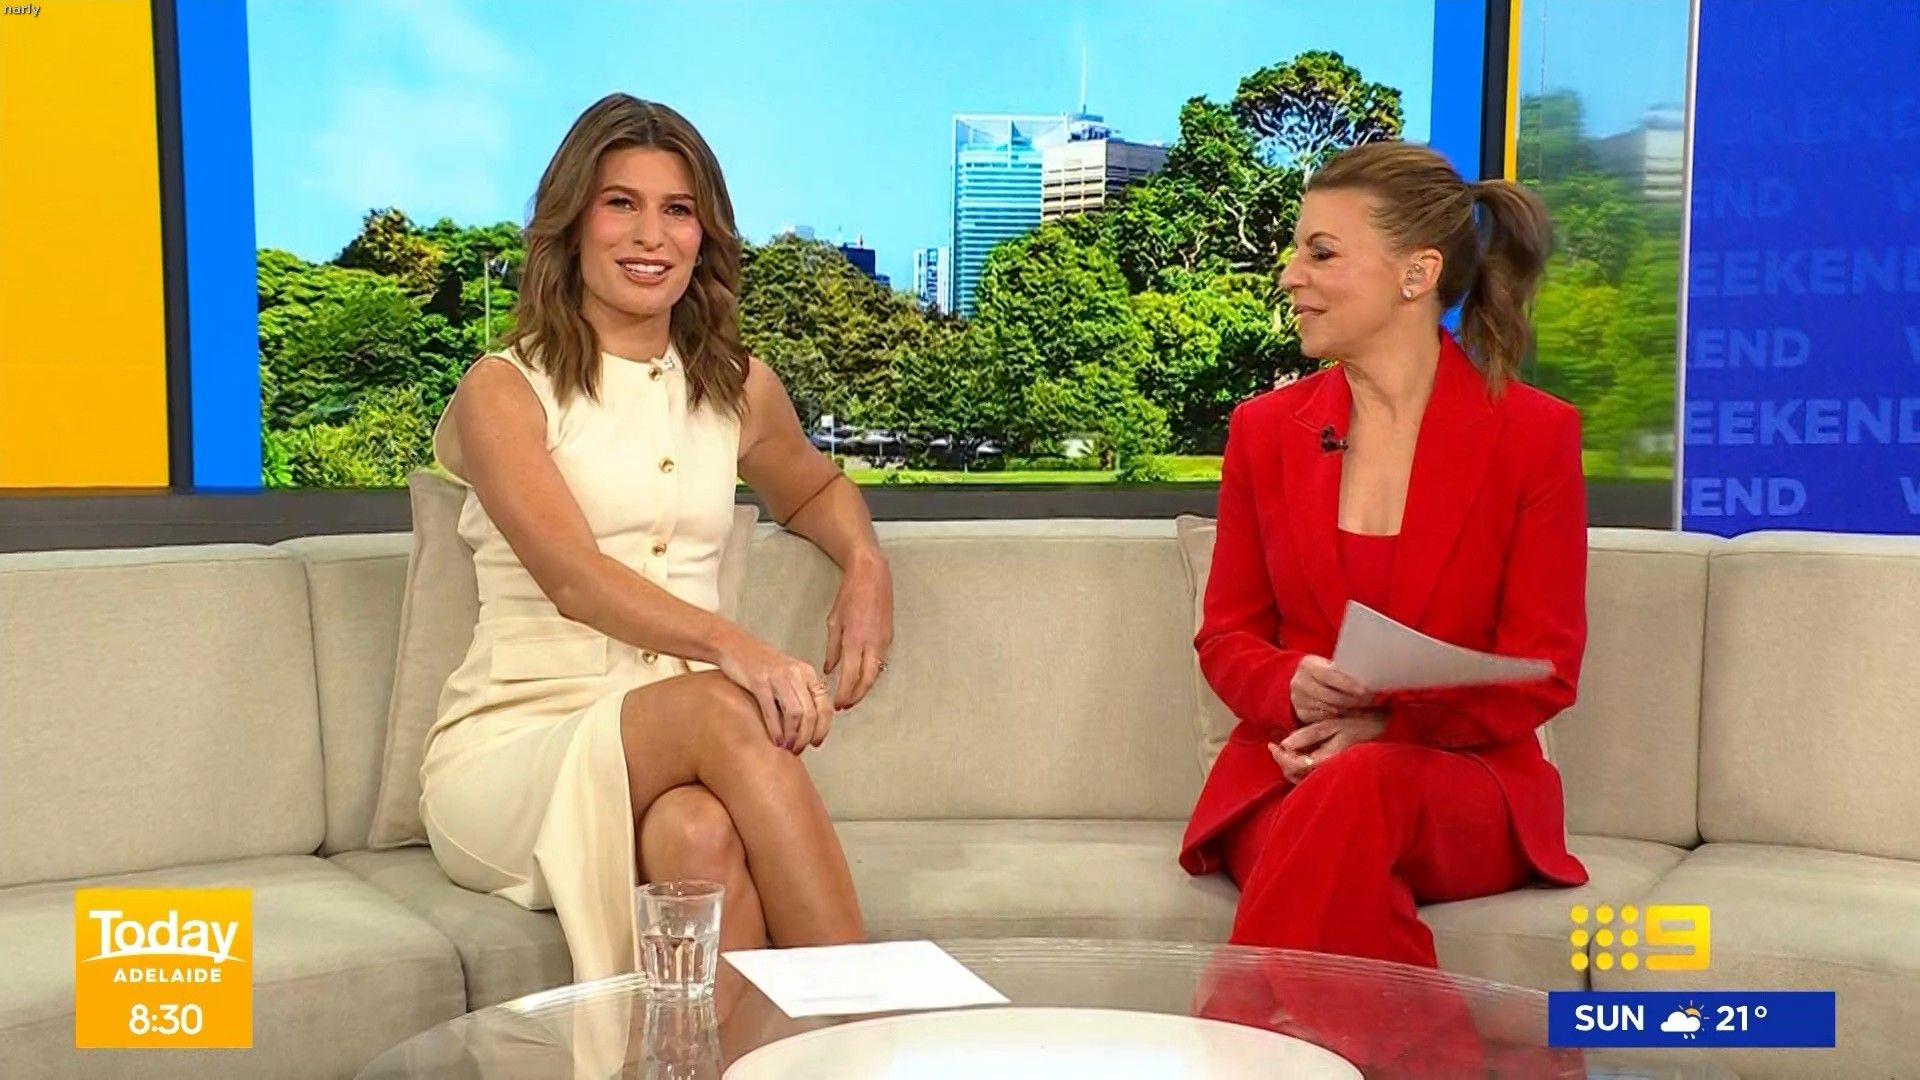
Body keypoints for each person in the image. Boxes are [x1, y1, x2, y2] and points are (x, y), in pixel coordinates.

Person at [419, 94, 889, 982]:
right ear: (572, 224)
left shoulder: (737, 387)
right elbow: (574, 578)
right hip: (518, 751)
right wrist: (738, 651)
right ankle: (865, 1022)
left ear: (703, 236)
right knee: (722, 704)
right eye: (620, 204)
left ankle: (737, 1051)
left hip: (676, 756)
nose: (651, 235)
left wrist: (866, 568)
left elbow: (815, 489)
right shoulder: (504, 390)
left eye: (677, 210)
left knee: (696, 834)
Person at [1178, 140, 1590, 970]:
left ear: (1416, 273)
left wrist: (1389, 726)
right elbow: (1226, 638)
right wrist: (1289, 684)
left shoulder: (1534, 437)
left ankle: (1228, 1035)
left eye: (1321, 253)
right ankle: (1422, 1044)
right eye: (1296, 252)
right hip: (1291, 774)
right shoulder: (1264, 432)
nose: (1289, 276)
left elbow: (1544, 668)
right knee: (1334, 841)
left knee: (1353, 796)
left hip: (1457, 784)